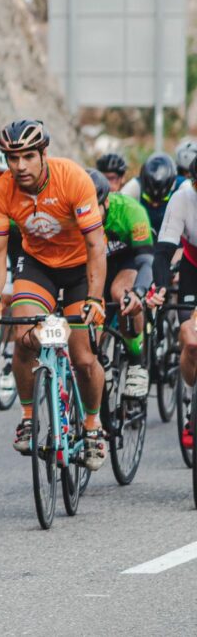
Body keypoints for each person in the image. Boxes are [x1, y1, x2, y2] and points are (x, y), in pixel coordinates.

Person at [0, 119, 107, 471]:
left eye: (27, 157)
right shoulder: (0, 192)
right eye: (12, 158)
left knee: (83, 357)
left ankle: (93, 426)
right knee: (23, 337)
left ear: (43, 154)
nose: (19, 166)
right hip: (38, 267)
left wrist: (96, 299)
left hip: (80, 270)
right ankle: (27, 417)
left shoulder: (72, 178)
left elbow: (96, 245)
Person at [91, 169, 153, 398]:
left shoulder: (130, 211)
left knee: (121, 294)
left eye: (94, 208)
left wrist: (138, 292)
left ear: (106, 201)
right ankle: (101, 362)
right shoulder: (74, 216)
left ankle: (136, 362)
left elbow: (146, 260)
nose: (87, 214)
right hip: (96, 263)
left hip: (128, 260)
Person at [150, 155, 197, 448]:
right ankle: (191, 405)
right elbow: (163, 252)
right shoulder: (183, 198)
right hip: (194, 266)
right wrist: (163, 287)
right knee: (190, 342)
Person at [121, 152, 183, 236]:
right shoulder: (133, 187)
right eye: (148, 198)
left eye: (163, 199)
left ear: (172, 186)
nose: (155, 204)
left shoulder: (183, 187)